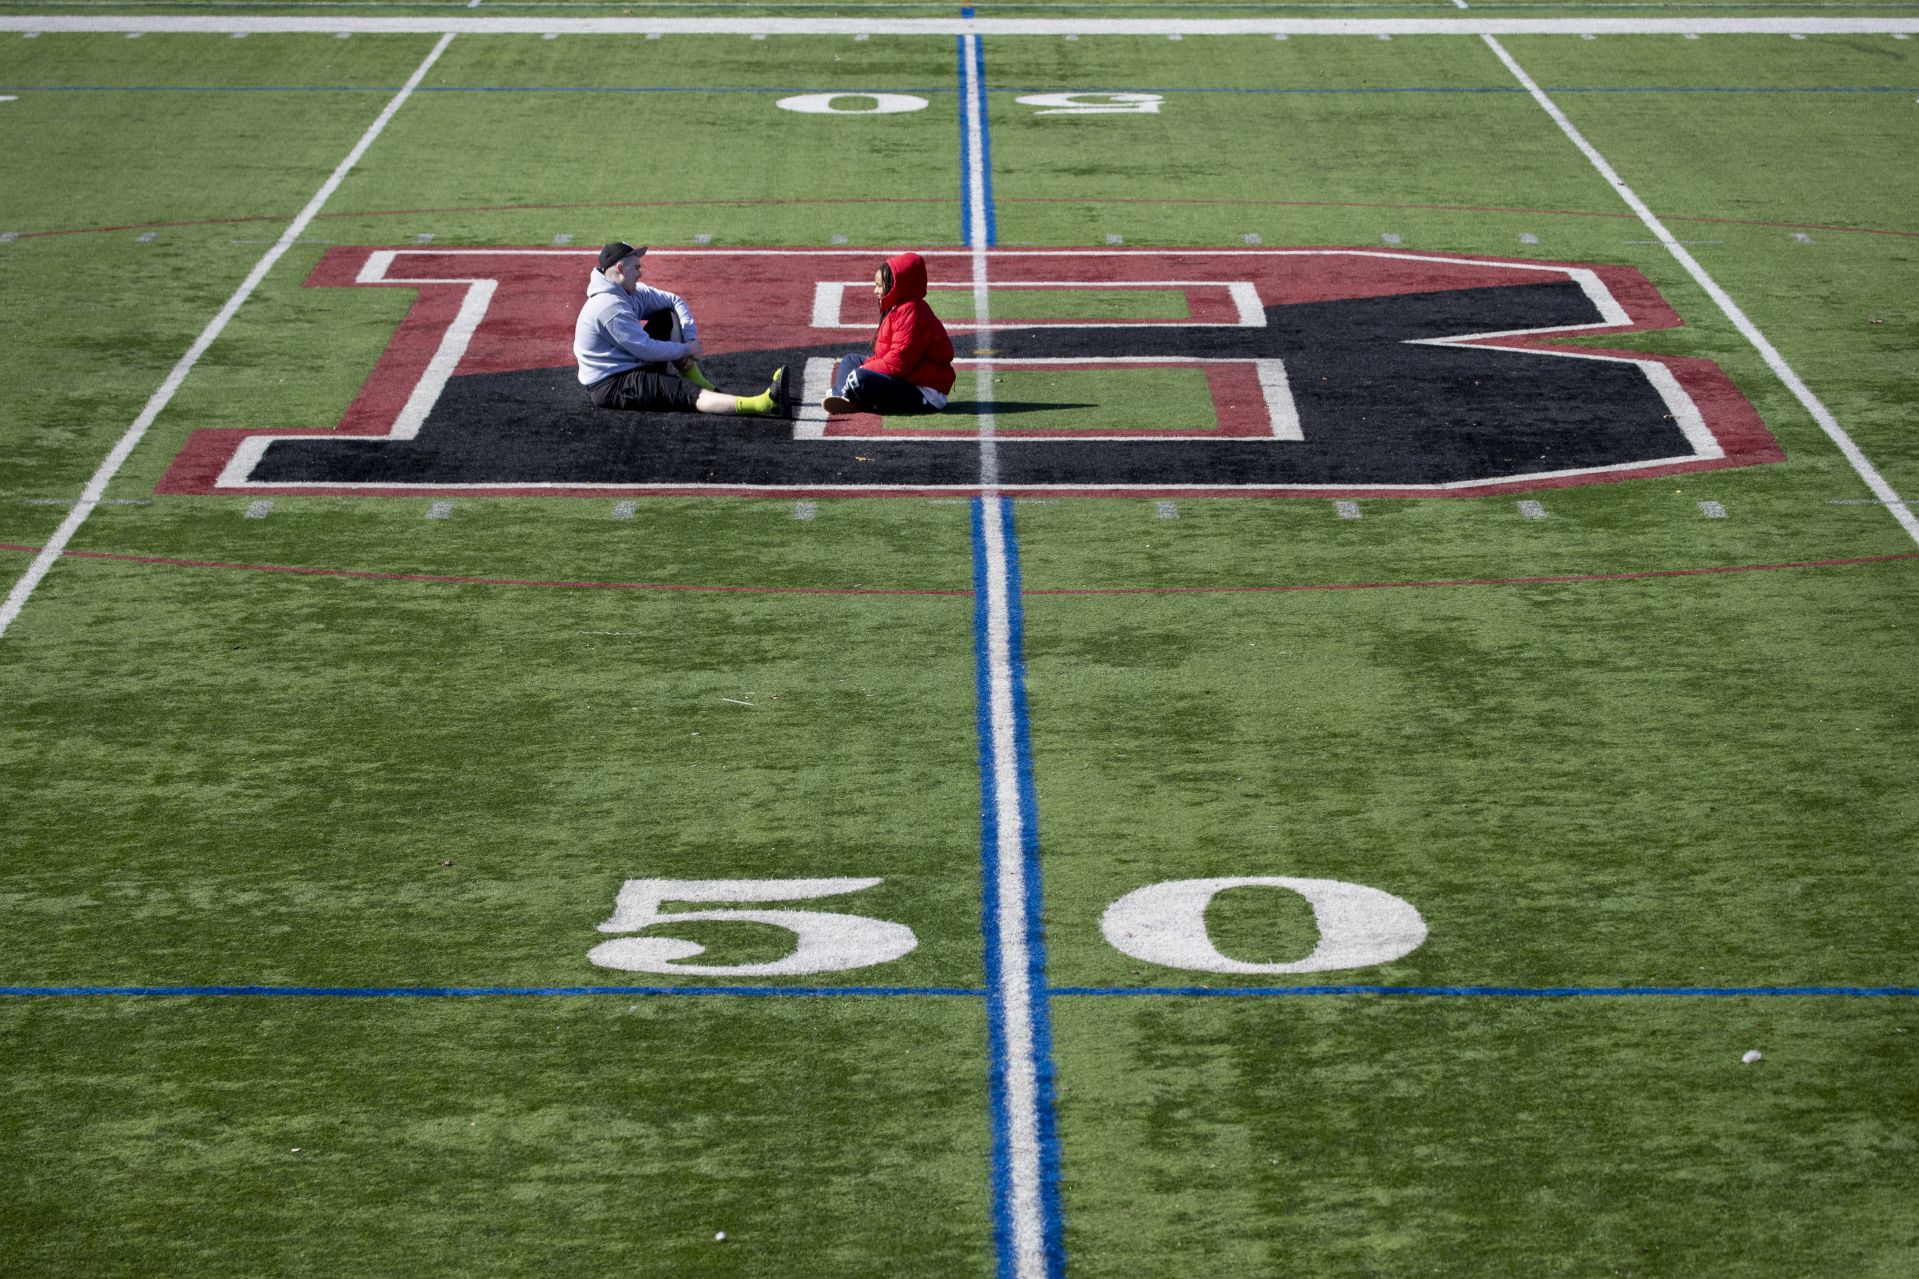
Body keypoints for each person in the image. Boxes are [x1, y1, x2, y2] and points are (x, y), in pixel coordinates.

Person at [574, 241, 787, 416]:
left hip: (629, 363)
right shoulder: (608, 306)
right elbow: (645, 349)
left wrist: (690, 339)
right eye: (637, 267)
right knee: (685, 393)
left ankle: (698, 381)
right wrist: (687, 350)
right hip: (613, 384)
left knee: (667, 315)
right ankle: (763, 404)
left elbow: (674, 301)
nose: (641, 273)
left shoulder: (630, 292)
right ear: (620, 269)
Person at [822, 252, 956, 416]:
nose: (874, 290)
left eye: (879, 285)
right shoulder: (900, 307)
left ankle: (847, 395)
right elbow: (888, 358)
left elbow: (897, 364)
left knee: (859, 377)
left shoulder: (912, 311)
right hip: (908, 378)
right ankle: (845, 396)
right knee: (850, 360)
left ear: (896, 285)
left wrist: (865, 369)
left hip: (924, 392)